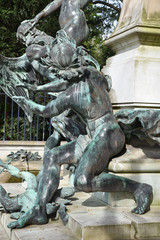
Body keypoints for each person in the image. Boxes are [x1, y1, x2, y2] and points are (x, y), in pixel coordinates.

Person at [9, 65, 153, 229]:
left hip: (108, 134)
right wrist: (36, 88)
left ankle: (139, 188)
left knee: (82, 181)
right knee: (52, 156)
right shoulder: (92, 74)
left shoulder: (71, 95)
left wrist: (26, 101)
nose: (58, 77)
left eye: (59, 72)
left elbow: (45, 110)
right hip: (92, 136)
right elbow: (64, 82)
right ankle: (39, 209)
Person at [26, 0, 91, 45]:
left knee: (60, 48)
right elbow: (54, 4)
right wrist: (38, 16)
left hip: (76, 23)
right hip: (66, 28)